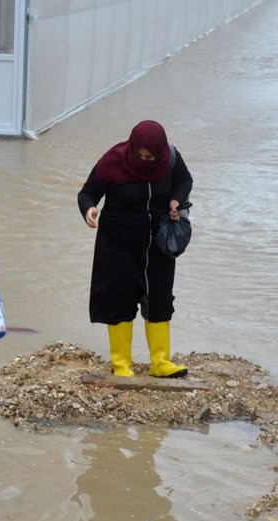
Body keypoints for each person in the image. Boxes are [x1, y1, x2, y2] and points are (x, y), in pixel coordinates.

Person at [77, 119, 193, 379]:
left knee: (160, 298)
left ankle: (161, 362)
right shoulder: (113, 161)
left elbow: (185, 181)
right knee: (119, 300)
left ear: (160, 152)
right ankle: (121, 364)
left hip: (158, 245)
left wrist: (176, 199)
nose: (143, 160)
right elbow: (86, 193)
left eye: (149, 157)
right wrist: (89, 209)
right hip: (117, 245)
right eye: (139, 155)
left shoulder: (171, 159)